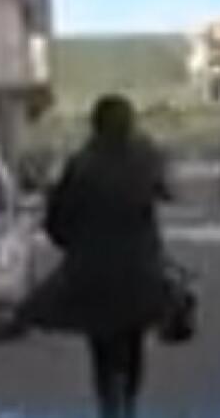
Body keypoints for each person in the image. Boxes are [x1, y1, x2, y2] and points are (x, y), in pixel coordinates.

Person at [36, 94, 174, 418]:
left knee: (102, 346)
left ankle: (110, 405)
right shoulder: (144, 160)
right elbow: (164, 194)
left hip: (94, 270)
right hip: (138, 268)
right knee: (133, 340)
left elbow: (56, 220)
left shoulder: (81, 164)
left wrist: (74, 245)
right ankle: (129, 402)